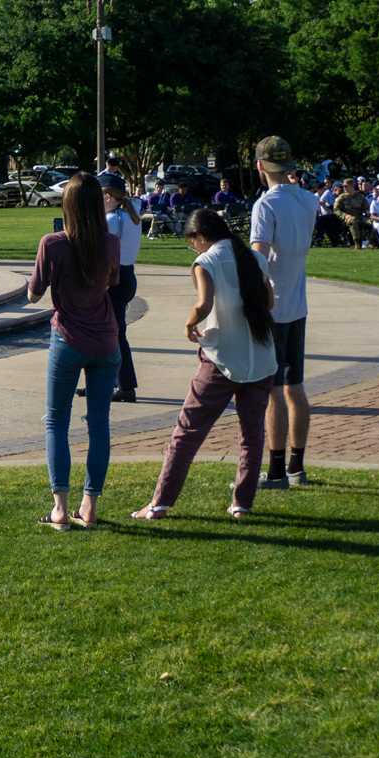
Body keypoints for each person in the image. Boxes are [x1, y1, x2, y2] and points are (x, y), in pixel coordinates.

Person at [129, 207, 280, 522]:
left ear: (199, 236)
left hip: (221, 358)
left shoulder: (206, 261)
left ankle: (160, 502)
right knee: (252, 435)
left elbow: (204, 303)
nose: (192, 247)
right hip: (261, 356)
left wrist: (189, 325)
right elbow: (269, 302)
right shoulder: (254, 258)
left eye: (191, 241)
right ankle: (242, 503)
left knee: (186, 433)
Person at [27, 175, 120, 531]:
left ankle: (61, 509)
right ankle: (90, 505)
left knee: (56, 421)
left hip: (67, 340)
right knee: (99, 425)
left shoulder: (52, 244)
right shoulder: (110, 243)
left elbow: (35, 294)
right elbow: (111, 282)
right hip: (105, 340)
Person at [249, 135, 317, 490]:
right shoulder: (308, 200)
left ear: (260, 166)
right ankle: (297, 466)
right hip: (298, 303)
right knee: (295, 386)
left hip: (272, 306)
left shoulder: (266, 205)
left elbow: (259, 254)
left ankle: (276, 471)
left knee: (273, 390)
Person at [99, 172, 143, 404]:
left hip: (113, 279)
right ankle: (111, 382)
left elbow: (106, 252)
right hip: (127, 276)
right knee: (112, 333)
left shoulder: (111, 220)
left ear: (108, 197)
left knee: (115, 335)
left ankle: (124, 385)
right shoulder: (130, 214)